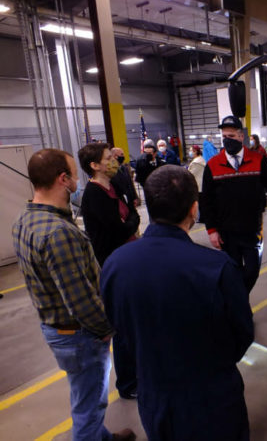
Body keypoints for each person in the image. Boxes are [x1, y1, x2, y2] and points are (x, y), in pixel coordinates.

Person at [101, 165, 254, 441]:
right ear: (194, 209)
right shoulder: (216, 267)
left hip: (155, 397)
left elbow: (118, 327)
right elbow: (241, 335)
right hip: (212, 400)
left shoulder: (115, 264)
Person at [11, 148, 135, 441]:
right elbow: (79, 299)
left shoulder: (25, 220)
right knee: (90, 404)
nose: (78, 179)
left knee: (85, 393)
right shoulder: (58, 233)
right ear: (63, 179)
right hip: (78, 335)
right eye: (75, 174)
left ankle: (101, 436)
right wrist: (106, 328)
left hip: (56, 328)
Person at [202, 115, 267, 292]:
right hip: (226, 233)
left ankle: (239, 301)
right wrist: (212, 230)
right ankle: (240, 309)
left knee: (252, 271)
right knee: (233, 273)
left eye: (231, 136)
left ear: (241, 137)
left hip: (251, 230)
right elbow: (207, 201)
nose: (227, 140)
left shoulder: (257, 160)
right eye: (224, 137)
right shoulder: (213, 165)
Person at [78, 143, 141, 400]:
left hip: (128, 257)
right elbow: (119, 228)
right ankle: (127, 383)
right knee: (124, 326)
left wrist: (132, 220)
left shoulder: (112, 186)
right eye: (108, 158)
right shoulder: (94, 194)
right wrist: (133, 222)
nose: (114, 160)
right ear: (95, 165)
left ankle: (137, 373)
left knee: (134, 321)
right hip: (114, 263)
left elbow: (131, 210)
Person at [187, 145, 206, 221]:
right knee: (202, 203)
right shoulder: (201, 160)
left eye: (191, 151)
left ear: (195, 151)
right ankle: (202, 217)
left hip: (198, 185)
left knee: (200, 203)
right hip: (202, 185)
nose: (190, 152)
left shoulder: (195, 163)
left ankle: (202, 218)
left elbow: (190, 174)